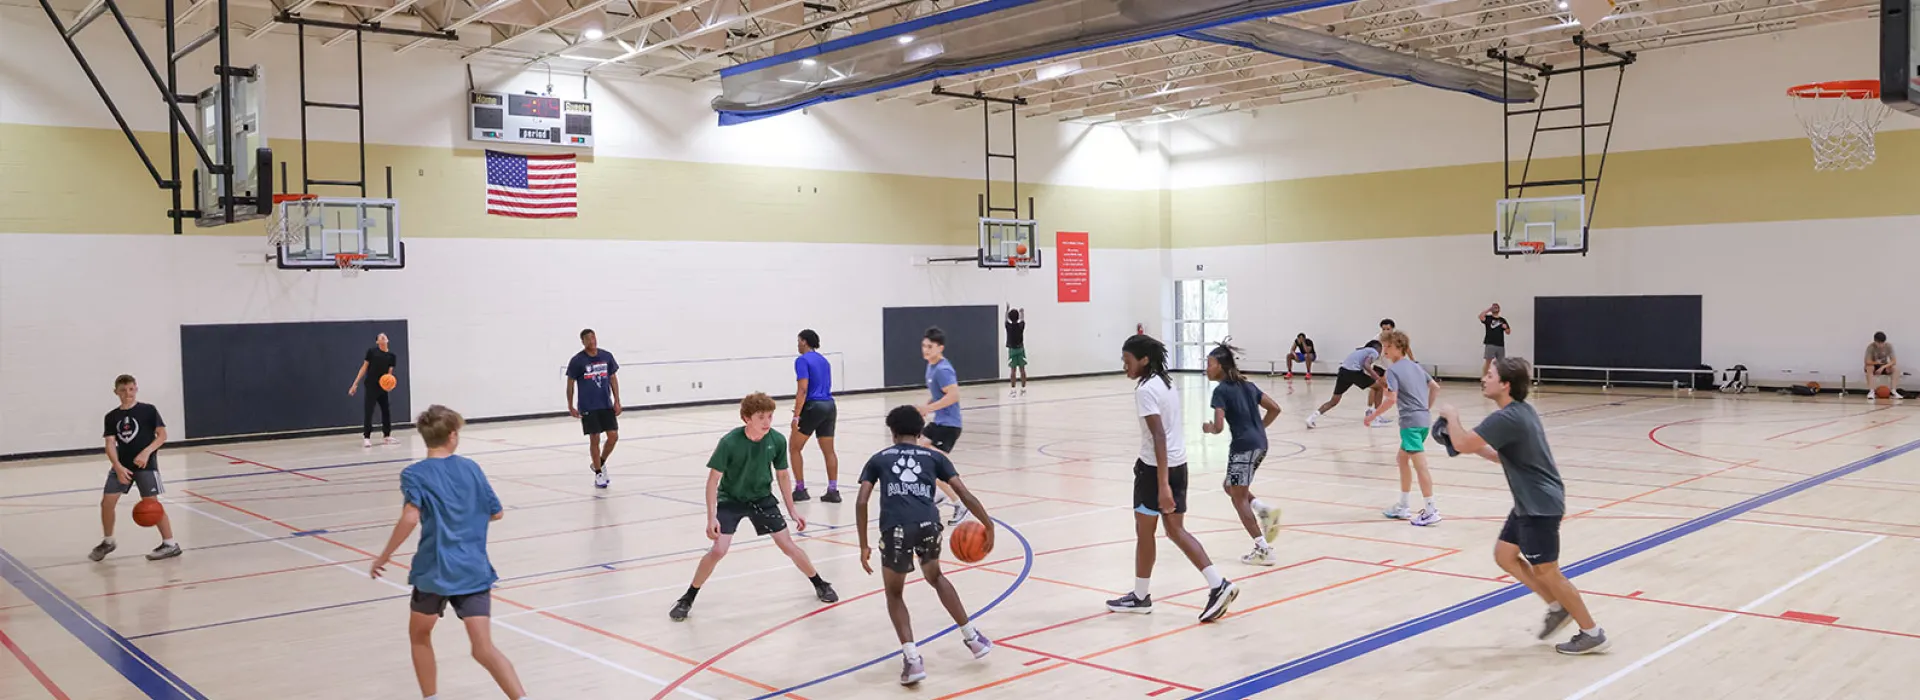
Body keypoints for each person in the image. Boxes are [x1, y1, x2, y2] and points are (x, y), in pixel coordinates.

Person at [1436, 358, 1611, 655]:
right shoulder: (1518, 413)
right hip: (1529, 503)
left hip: (1539, 506)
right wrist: (1459, 440)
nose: (1483, 379)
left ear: (1505, 384)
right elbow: (1496, 455)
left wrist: (1451, 417)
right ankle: (1558, 607)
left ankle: (1591, 631)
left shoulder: (1507, 418)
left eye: (1489, 375)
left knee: (1547, 571)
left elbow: (1464, 442)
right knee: (1505, 555)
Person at [368, 405, 530, 700]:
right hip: (473, 569)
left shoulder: (414, 474)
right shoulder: (470, 468)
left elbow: (410, 517)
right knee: (483, 649)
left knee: (419, 635)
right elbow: (497, 513)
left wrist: (384, 556)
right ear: (452, 436)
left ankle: (431, 697)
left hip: (435, 570)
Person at [856, 406, 996, 685]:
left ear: (892, 433)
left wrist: (863, 545)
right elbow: (963, 493)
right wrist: (988, 525)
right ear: (921, 432)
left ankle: (912, 660)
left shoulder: (878, 459)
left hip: (896, 529)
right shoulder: (933, 457)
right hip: (928, 526)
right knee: (936, 577)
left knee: (895, 594)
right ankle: (973, 637)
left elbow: (861, 501)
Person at [1104, 334, 1239, 622]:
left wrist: (1162, 484)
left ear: (1143, 360)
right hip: (1179, 464)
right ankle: (1217, 584)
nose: (1124, 366)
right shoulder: (1165, 381)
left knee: (1145, 533)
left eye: (1128, 361)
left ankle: (1143, 597)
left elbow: (1159, 437)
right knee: (1175, 531)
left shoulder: (1145, 390)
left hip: (1156, 470)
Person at [671, 393, 839, 621]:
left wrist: (792, 510)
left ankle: (819, 583)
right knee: (718, 550)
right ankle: (688, 597)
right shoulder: (730, 442)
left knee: (787, 545)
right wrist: (712, 517)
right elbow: (713, 480)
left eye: (770, 416)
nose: (767, 422)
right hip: (731, 499)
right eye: (761, 417)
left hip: (761, 499)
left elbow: (782, 475)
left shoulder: (777, 440)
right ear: (746, 418)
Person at [1202, 342, 1284, 565]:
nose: (1206, 368)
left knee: (1238, 497)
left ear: (1220, 366)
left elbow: (1218, 427)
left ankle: (1263, 549)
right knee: (1230, 486)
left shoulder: (1220, 391)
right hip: (1260, 444)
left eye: (1209, 364)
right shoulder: (1248, 386)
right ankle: (1263, 510)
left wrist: (1209, 428)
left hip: (1242, 448)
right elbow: (1275, 408)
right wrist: (1258, 429)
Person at [90, 375, 179, 562]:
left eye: (131, 389)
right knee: (107, 502)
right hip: (123, 465)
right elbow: (110, 444)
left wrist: (146, 452)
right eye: (123, 390)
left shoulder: (148, 410)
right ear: (116, 392)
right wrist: (118, 466)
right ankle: (108, 541)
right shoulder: (111, 417)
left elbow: (162, 435)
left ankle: (170, 544)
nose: (127, 393)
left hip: (146, 465)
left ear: (136, 389)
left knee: (151, 505)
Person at [1368, 331, 1441, 527]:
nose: (1384, 351)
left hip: (1410, 424)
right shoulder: (1415, 367)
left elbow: (1391, 399)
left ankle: (1431, 509)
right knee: (1402, 459)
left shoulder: (1393, 371)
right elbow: (1435, 387)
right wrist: (1426, 408)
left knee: (1420, 466)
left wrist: (1373, 416)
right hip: (1423, 421)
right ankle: (1403, 505)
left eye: (1386, 347)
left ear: (1395, 347)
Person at [918, 327, 967, 524]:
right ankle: (939, 492)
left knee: (936, 467)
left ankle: (960, 504)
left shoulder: (943, 370)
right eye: (924, 346)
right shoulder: (931, 366)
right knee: (917, 450)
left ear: (940, 348)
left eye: (930, 347)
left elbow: (953, 395)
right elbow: (939, 394)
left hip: (949, 426)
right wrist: (927, 405)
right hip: (939, 422)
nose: (926, 350)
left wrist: (929, 409)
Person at [566, 329, 621, 489]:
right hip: (589, 406)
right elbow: (570, 383)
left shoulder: (606, 356)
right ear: (582, 342)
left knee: (613, 436)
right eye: (587, 339)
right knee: (594, 438)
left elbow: (612, 377)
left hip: (605, 404)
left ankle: (601, 462)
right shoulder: (577, 361)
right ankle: (598, 473)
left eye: (593, 337)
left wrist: (617, 400)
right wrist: (570, 404)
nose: (591, 341)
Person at [790, 329, 840, 503]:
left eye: (798, 341)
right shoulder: (824, 361)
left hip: (814, 406)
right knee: (829, 451)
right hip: (829, 405)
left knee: (794, 447)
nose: (797, 344)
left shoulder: (802, 360)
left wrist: (796, 416)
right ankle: (833, 490)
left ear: (804, 341)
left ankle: (800, 489)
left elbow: (803, 389)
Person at [1305, 340, 1384, 429]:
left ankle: (1311, 418)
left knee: (1334, 401)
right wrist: (1378, 378)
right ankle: (1376, 417)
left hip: (1343, 372)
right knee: (1379, 388)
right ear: (1378, 348)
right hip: (1354, 373)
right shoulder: (1374, 352)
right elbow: (1367, 365)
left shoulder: (1359, 351)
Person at [349, 332, 400, 448]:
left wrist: (389, 384)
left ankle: (387, 436)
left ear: (387, 340)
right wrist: (355, 384)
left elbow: (389, 374)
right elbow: (364, 367)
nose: (383, 337)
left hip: (382, 386)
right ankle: (367, 438)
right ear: (378, 342)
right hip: (371, 385)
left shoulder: (392, 356)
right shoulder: (372, 352)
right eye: (380, 337)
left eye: (385, 336)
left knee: (386, 410)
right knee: (369, 411)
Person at [1865, 331, 1902, 399]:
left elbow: (1894, 361)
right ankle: (1871, 391)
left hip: (1884, 365)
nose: (1881, 345)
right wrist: (1877, 363)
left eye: (1882, 343)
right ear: (1875, 341)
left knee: (1896, 369)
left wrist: (1883, 367)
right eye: (1879, 343)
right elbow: (1867, 361)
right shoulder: (1870, 347)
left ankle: (1893, 391)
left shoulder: (1889, 346)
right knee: (1869, 368)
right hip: (1874, 365)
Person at [1479, 304, 1512, 377]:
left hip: (1500, 344)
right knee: (1488, 361)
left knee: (1501, 363)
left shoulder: (1502, 320)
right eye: (1494, 307)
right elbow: (1480, 317)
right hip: (1490, 343)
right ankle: (1484, 378)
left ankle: (1499, 378)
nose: (1495, 308)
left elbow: (1508, 332)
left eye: (1497, 307)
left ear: (1499, 309)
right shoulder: (1488, 318)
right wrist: (1488, 310)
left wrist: (1506, 328)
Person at [1006, 307, 1029, 395]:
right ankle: (1023, 389)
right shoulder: (1020, 326)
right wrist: (1022, 312)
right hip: (1020, 349)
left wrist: (1007, 309)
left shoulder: (1008, 326)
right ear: (1018, 317)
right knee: (1022, 370)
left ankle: (1013, 390)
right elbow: (1022, 319)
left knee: (1013, 370)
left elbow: (1006, 319)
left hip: (1012, 350)